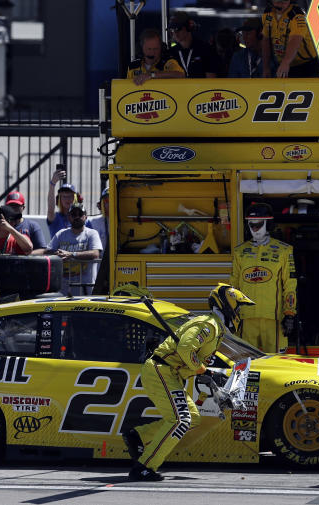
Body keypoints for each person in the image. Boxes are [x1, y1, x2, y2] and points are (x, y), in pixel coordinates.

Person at [121, 285, 248, 481]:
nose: (239, 313)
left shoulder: (214, 327)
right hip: (161, 370)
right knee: (180, 420)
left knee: (192, 418)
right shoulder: (209, 325)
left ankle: (137, 435)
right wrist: (202, 370)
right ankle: (144, 466)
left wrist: (207, 373)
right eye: (238, 308)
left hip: (169, 373)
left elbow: (191, 356)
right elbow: (185, 348)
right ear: (228, 307)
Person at [230, 203, 297, 353]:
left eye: (259, 225)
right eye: (251, 225)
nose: (255, 229)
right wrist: (230, 311)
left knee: (276, 363)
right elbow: (233, 285)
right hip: (246, 318)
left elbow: (290, 284)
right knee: (244, 362)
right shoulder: (239, 252)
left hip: (273, 319)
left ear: (269, 224)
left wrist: (290, 314)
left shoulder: (284, 251)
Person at [260, 0, 319, 78]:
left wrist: (285, 62)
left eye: (284, 0)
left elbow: (295, 39)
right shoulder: (267, 14)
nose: (281, 4)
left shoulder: (297, 15)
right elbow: (266, 40)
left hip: (306, 65)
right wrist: (266, 67)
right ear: (270, 1)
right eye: (277, 0)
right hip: (283, 63)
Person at [46, 202, 102, 296]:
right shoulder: (61, 234)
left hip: (85, 290)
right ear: (69, 217)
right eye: (73, 214)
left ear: (85, 217)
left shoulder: (92, 233)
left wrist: (71, 255)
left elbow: (95, 253)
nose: (77, 217)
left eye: (80, 214)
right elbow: (48, 251)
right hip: (63, 290)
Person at [0, 191, 47, 256]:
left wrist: (10, 229)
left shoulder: (26, 231)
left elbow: (31, 248)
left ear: (23, 207)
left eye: (17, 206)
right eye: (10, 206)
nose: (13, 209)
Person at [167, 13, 219, 78]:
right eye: (172, 30)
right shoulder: (171, 52)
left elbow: (211, 80)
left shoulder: (205, 49)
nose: (175, 33)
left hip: (201, 88)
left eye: (178, 29)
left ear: (188, 27)